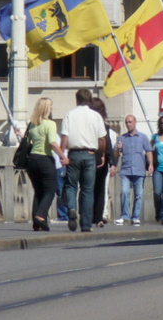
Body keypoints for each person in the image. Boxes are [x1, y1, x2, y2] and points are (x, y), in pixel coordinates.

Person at [60, 89, 106, 233]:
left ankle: (72, 207)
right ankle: (86, 225)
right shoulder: (96, 116)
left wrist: (63, 154)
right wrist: (101, 155)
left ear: (77, 100)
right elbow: (102, 139)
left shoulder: (70, 114)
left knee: (71, 186)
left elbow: (65, 137)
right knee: (87, 190)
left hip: (74, 154)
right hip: (90, 154)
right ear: (90, 100)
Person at [21, 97, 69, 232]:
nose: (52, 109)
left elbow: (28, 142)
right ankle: (41, 216)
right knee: (50, 191)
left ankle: (36, 223)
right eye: (51, 106)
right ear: (47, 109)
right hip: (45, 160)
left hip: (32, 160)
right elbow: (52, 143)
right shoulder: (50, 124)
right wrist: (63, 156)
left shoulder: (32, 124)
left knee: (38, 191)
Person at [114, 115, 152, 225]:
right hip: (126, 169)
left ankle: (135, 216)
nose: (128, 124)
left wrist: (151, 164)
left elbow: (149, 151)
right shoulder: (122, 138)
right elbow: (116, 155)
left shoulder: (143, 137)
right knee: (125, 192)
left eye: (130, 122)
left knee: (138, 194)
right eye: (126, 122)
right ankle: (124, 215)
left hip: (139, 169)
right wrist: (119, 148)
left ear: (135, 122)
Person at [88, 97, 116, 228]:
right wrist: (112, 162)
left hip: (88, 157)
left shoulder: (86, 124)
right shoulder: (103, 125)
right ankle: (98, 217)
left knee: (87, 189)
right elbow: (108, 144)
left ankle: (88, 215)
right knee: (100, 190)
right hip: (101, 159)